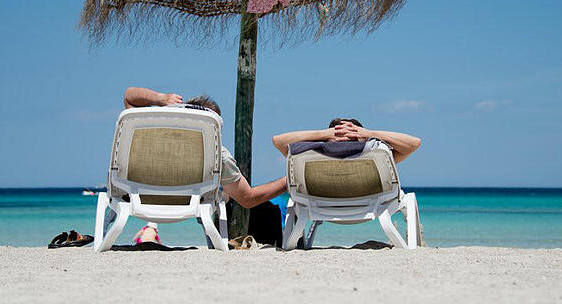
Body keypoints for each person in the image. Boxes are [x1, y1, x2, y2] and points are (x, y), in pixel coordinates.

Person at [123, 86, 288, 244]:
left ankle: (149, 230)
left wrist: (161, 99)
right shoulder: (217, 155)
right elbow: (247, 198)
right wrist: (288, 181)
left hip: (142, 202)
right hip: (190, 206)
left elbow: (130, 97)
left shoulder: (152, 139)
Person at [271, 117, 421, 163]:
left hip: (320, 204)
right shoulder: (378, 156)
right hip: (370, 203)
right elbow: (413, 144)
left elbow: (279, 142)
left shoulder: (309, 155)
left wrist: (323, 135)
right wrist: (370, 134)